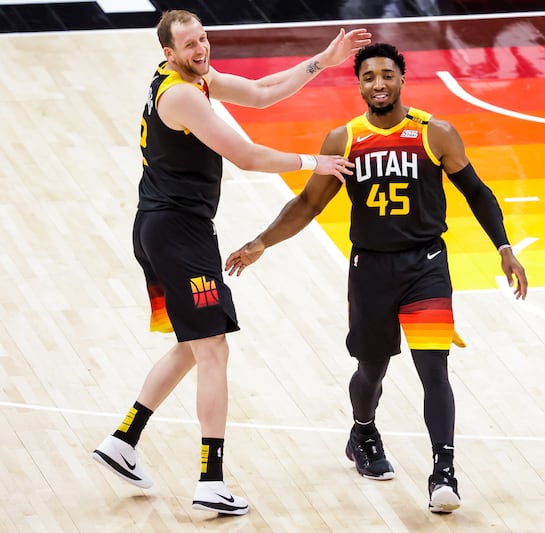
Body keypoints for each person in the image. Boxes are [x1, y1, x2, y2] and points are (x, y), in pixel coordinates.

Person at [225, 42, 528, 514]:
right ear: (360, 85)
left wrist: (504, 247)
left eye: (387, 74)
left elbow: (477, 192)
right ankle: (362, 432)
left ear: (402, 79)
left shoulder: (435, 133)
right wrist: (262, 241)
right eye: (369, 77)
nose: (379, 83)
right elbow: (308, 203)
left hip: (426, 265)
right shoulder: (344, 140)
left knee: (434, 369)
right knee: (372, 369)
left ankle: (443, 471)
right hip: (370, 270)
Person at [91, 9, 370, 516]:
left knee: (194, 344)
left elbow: (261, 93)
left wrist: (322, 62)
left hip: (165, 228)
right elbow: (245, 155)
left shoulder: (190, 78)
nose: (201, 48)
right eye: (190, 44)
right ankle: (210, 481)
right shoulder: (180, 95)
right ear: (168, 53)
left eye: (203, 38)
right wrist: (315, 163)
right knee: (214, 350)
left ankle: (122, 441)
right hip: (178, 233)